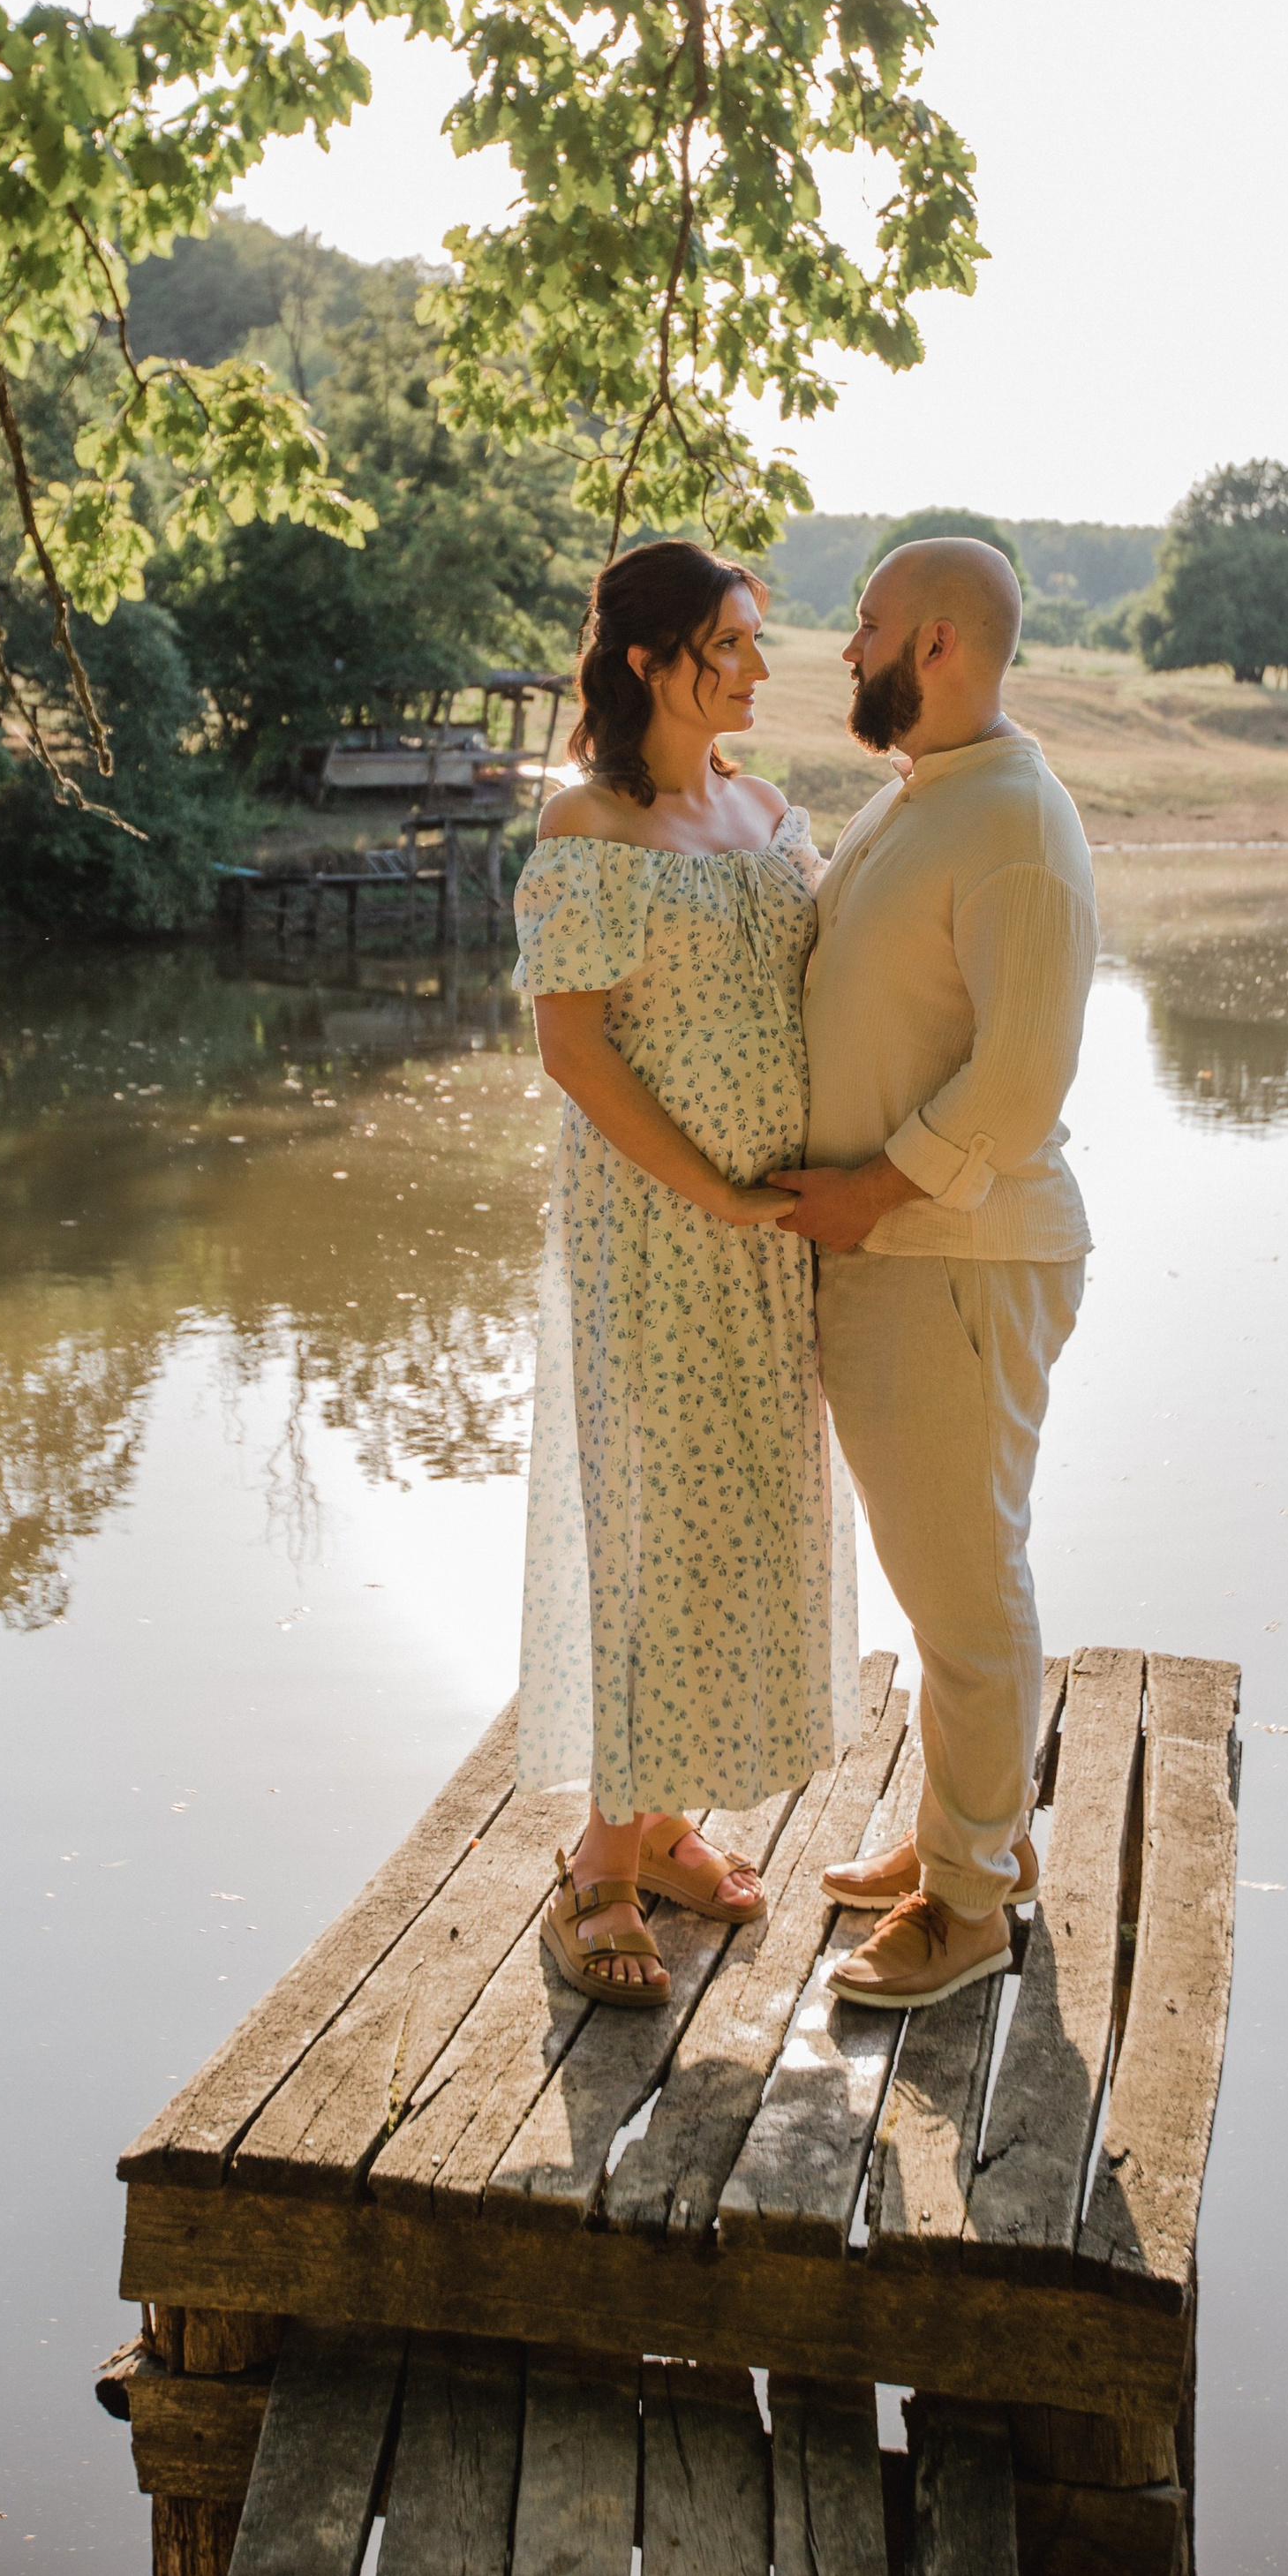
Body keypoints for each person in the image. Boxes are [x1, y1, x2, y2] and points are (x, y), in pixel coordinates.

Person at [514, 541, 859, 2007]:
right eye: (730, 643)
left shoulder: (771, 815)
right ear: (650, 658)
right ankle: (595, 1864)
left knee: (740, 1515)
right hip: (656, 1237)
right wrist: (709, 1186)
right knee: (649, 1522)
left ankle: (663, 1825)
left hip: (767, 1247)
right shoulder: (588, 826)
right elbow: (574, 1049)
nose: (759, 670)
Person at [769, 538, 1097, 2010]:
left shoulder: (1016, 826)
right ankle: (970, 1839)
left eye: (871, 624)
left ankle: (971, 1910)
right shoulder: (928, 799)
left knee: (967, 1593)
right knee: (938, 1576)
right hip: (898, 1253)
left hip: (956, 1256)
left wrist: (863, 1192)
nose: (851, 648)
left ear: (945, 643)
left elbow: (1018, 1085)